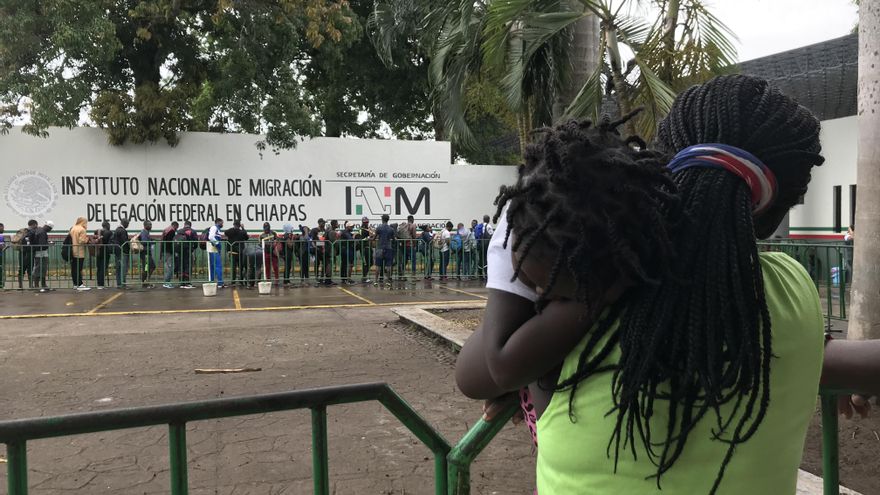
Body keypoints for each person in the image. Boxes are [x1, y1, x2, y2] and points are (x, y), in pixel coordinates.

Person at [458, 75, 833, 494]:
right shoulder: (796, 291)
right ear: (777, 209)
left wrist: (517, 242)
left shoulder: (602, 291)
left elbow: (480, 373)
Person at [372, 214, 395, 285]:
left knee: (378, 266)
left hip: (380, 248)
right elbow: (393, 239)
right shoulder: (391, 229)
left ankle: (376, 281)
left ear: (382, 219)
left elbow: (374, 238)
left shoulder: (379, 228)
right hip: (388, 248)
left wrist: (371, 238)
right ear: (388, 220)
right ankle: (388, 281)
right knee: (388, 266)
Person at [69, 217, 91, 291]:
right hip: (80, 251)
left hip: (73, 250)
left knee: (74, 269)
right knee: (79, 269)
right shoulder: (82, 229)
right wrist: (87, 239)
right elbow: (81, 241)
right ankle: (80, 284)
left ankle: (75, 284)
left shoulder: (73, 228)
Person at [225, 220, 249, 287]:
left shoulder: (230, 231)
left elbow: (225, 232)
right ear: (239, 225)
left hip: (232, 252)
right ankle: (241, 281)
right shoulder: (242, 232)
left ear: (234, 225)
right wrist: (243, 228)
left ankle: (233, 281)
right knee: (240, 267)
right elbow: (247, 237)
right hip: (240, 252)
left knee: (233, 267)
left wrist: (233, 228)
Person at [32, 220, 54, 291]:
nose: (50, 230)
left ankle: (43, 285)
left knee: (42, 269)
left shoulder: (39, 230)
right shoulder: (42, 232)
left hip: (40, 252)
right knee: (39, 269)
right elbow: (42, 244)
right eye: (50, 229)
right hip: (41, 253)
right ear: (48, 227)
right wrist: (49, 244)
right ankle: (37, 286)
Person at [175, 221, 198, 289]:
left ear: (184, 225)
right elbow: (196, 242)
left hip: (179, 251)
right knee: (188, 266)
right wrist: (193, 249)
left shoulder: (179, 231)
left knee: (181, 266)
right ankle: (187, 283)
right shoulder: (192, 231)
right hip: (188, 251)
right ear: (190, 225)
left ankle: (181, 283)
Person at [396, 215, 417, 280]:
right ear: (412, 219)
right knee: (413, 261)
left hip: (403, 245)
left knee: (404, 261)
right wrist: (415, 244)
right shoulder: (413, 226)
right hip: (410, 245)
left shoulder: (404, 225)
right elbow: (414, 236)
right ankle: (413, 276)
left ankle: (402, 275)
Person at [18, 219, 37, 289]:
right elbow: (30, 243)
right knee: (30, 269)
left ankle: (20, 286)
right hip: (29, 253)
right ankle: (30, 286)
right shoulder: (32, 232)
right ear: (34, 224)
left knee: (21, 269)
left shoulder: (23, 231)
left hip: (21, 252)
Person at [137, 221, 156, 288]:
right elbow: (144, 242)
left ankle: (146, 281)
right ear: (145, 225)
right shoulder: (144, 232)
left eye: (151, 224)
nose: (151, 226)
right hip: (145, 253)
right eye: (149, 225)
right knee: (147, 268)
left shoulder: (146, 232)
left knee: (151, 267)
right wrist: (152, 242)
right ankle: (144, 283)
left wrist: (151, 240)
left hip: (147, 252)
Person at [161, 221, 180, 288]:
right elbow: (170, 243)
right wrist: (173, 251)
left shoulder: (166, 230)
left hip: (164, 251)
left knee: (167, 267)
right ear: (175, 226)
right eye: (177, 227)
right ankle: (167, 282)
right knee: (170, 267)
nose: (176, 229)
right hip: (169, 252)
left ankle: (166, 282)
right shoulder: (171, 231)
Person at [310, 219, 329, 285]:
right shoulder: (314, 230)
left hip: (323, 249)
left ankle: (322, 277)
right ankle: (316, 278)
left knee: (325, 263)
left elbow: (326, 239)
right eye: (322, 223)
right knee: (317, 263)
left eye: (324, 223)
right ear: (319, 223)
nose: (323, 224)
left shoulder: (325, 230)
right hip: (317, 249)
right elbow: (311, 239)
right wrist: (314, 246)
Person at [207, 218, 224, 287]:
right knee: (218, 266)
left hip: (213, 249)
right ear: (218, 222)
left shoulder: (217, 229)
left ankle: (212, 281)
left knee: (213, 266)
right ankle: (220, 283)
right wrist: (217, 244)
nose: (222, 224)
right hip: (214, 249)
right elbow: (211, 237)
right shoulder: (214, 228)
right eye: (222, 222)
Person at [475, 215, 494, 279]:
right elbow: (491, 235)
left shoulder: (479, 226)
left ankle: (480, 274)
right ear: (488, 219)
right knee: (486, 258)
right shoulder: (488, 226)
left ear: (483, 219)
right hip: (486, 245)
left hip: (480, 244)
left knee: (480, 259)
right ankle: (486, 274)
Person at [114, 219, 131, 288]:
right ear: (125, 223)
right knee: (123, 268)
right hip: (123, 251)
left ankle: (119, 284)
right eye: (128, 224)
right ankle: (123, 284)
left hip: (117, 251)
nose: (128, 225)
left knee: (118, 268)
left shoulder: (116, 230)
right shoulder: (123, 231)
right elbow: (125, 241)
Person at [358, 216, 373, 284]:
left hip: (369, 248)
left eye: (367, 222)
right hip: (364, 248)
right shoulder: (361, 229)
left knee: (371, 262)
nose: (366, 223)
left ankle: (364, 277)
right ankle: (364, 278)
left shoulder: (368, 229)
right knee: (366, 263)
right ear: (362, 222)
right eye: (365, 222)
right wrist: (369, 237)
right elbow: (361, 239)